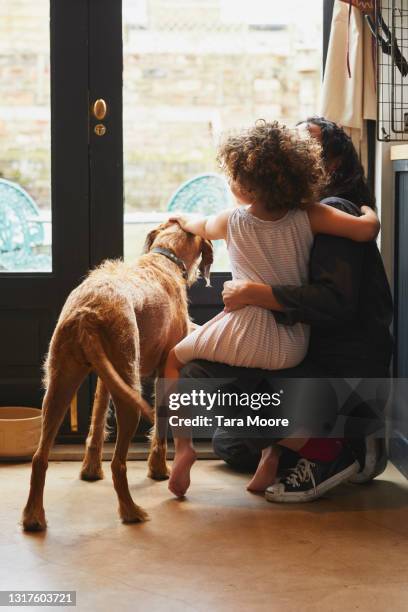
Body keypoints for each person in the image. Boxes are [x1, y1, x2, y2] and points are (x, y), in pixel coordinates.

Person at [179, 117, 393, 503]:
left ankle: (344, 447)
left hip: (336, 366)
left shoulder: (331, 209)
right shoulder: (301, 214)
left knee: (199, 374)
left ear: (329, 166)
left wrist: (255, 293)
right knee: (231, 445)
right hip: (301, 350)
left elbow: (334, 305)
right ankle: (319, 441)